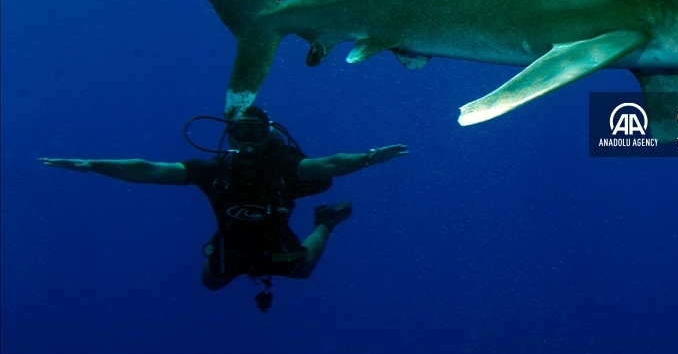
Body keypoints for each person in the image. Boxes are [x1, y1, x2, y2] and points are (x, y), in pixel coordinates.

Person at [40, 106, 407, 310]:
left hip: (272, 239)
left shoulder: (284, 167)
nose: (246, 139)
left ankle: (325, 222)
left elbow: (327, 165)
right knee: (209, 283)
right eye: (239, 132)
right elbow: (148, 170)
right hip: (231, 243)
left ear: (268, 134)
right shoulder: (214, 169)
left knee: (302, 270)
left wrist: (370, 157)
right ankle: (232, 251)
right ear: (228, 135)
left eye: (254, 131)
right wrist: (91, 164)